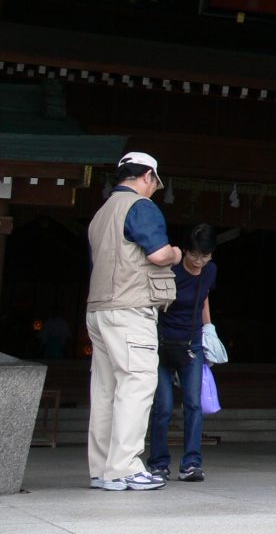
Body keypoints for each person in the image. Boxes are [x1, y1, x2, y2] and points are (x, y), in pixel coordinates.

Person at [86, 151, 180, 492]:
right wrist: (177, 253)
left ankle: (102, 468)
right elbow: (157, 254)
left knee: (105, 390)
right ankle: (124, 467)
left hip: (98, 309)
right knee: (137, 385)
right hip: (129, 309)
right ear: (147, 176)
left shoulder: (101, 213)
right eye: (156, 182)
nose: (155, 189)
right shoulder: (140, 207)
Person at [148, 223, 218, 482]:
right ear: (185, 251)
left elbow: (204, 298)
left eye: (205, 255)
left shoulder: (210, 271)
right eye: (194, 254)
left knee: (193, 404)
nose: (199, 261)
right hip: (163, 342)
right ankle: (158, 463)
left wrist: (209, 328)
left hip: (192, 343)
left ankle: (191, 463)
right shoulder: (170, 269)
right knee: (163, 406)